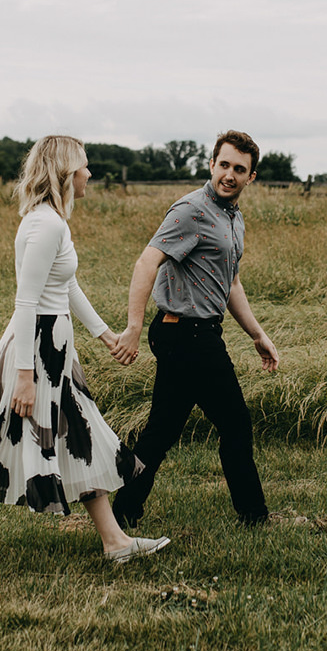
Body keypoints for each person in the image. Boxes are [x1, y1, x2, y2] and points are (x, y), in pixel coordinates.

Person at [0, 135, 170, 570]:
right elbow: (26, 302)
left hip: (54, 351)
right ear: (66, 172)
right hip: (35, 352)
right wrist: (25, 377)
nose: (89, 173)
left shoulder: (51, 221)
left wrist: (105, 335)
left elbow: (66, 287)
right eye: (84, 165)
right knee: (0, 443)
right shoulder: (46, 225)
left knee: (81, 434)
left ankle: (115, 542)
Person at [109, 130, 280, 528]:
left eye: (240, 169)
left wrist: (257, 335)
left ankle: (122, 513)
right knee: (235, 424)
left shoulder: (233, 219)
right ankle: (254, 516)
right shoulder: (191, 210)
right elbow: (146, 262)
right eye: (224, 165)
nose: (230, 175)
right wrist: (133, 327)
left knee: (161, 431)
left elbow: (230, 283)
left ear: (251, 176)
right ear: (211, 164)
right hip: (186, 335)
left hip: (198, 333)